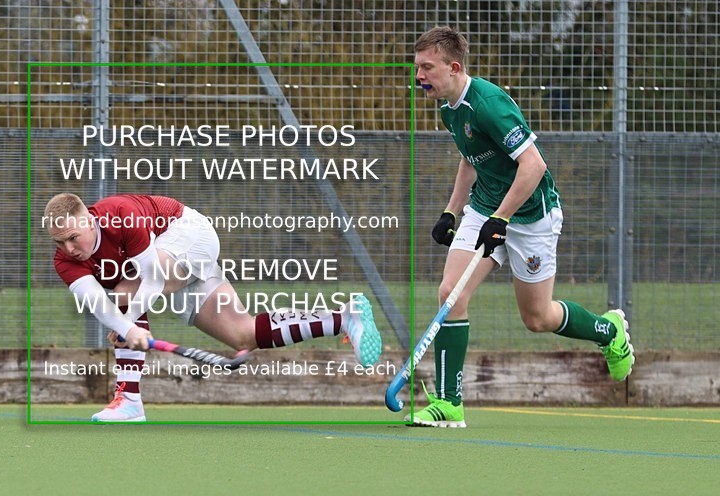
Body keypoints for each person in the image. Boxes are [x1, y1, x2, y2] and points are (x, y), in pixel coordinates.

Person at [408, 26, 634, 427]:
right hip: (485, 208)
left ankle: (608, 330)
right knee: (450, 293)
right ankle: (449, 404)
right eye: (417, 67)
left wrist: (502, 219)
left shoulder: (489, 104)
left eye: (427, 67)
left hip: (530, 215)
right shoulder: (447, 106)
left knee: (537, 318)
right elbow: (471, 158)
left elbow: (534, 165)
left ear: (454, 67)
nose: (419, 76)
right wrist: (451, 211)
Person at [45, 192, 382, 422]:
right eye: (61, 242)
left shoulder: (121, 215)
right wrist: (126, 327)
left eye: (74, 237)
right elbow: (95, 303)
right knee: (243, 335)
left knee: (125, 291)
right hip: (167, 267)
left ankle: (128, 396)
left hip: (188, 235)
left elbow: (151, 281)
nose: (69, 248)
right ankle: (342, 319)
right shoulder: (66, 260)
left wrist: (128, 324)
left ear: (89, 219)